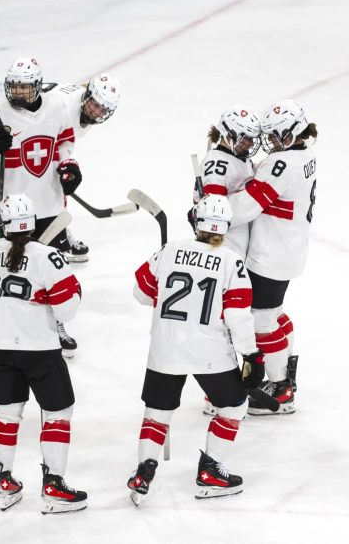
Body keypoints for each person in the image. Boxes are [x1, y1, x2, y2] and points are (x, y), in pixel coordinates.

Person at [129, 194, 262, 503]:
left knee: (157, 413)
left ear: (195, 221)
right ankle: (211, 471)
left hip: (165, 346)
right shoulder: (231, 260)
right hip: (210, 351)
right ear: (225, 227)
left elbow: (140, 292)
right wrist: (251, 354)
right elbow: (237, 315)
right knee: (233, 407)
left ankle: (143, 472)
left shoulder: (169, 249)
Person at [0, 193, 85, 514]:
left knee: (6, 416)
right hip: (39, 350)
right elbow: (67, 310)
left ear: (2, 224)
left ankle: (3, 482)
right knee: (58, 414)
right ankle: (54, 484)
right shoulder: (48, 258)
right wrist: (71, 291)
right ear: (32, 223)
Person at [0, 57, 81, 355]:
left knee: (53, 267)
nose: (18, 93)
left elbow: (65, 142)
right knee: (11, 268)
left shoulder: (56, 106)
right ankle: (6, 324)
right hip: (9, 210)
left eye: (24, 87)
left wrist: (68, 166)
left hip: (49, 203)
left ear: (37, 86)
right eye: (14, 87)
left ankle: (56, 323)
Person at [228, 100, 316, 413]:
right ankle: (287, 375)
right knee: (274, 314)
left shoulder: (282, 164)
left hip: (271, 254)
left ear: (295, 132)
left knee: (262, 319)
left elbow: (250, 204)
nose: (272, 142)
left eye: (279, 135)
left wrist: (213, 213)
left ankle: (279, 388)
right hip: (288, 249)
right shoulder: (303, 154)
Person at [46, 73, 121, 263]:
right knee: (48, 185)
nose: (97, 112)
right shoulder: (65, 109)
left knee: (54, 182)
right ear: (88, 95)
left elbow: (61, 143)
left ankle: (54, 232)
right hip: (29, 126)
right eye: (95, 105)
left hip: (47, 133)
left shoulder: (84, 110)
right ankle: (53, 236)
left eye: (103, 110)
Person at [195, 106, 260, 258]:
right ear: (229, 134)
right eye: (246, 137)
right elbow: (214, 217)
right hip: (223, 249)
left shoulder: (238, 158)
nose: (251, 143)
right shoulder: (218, 165)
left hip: (237, 245)